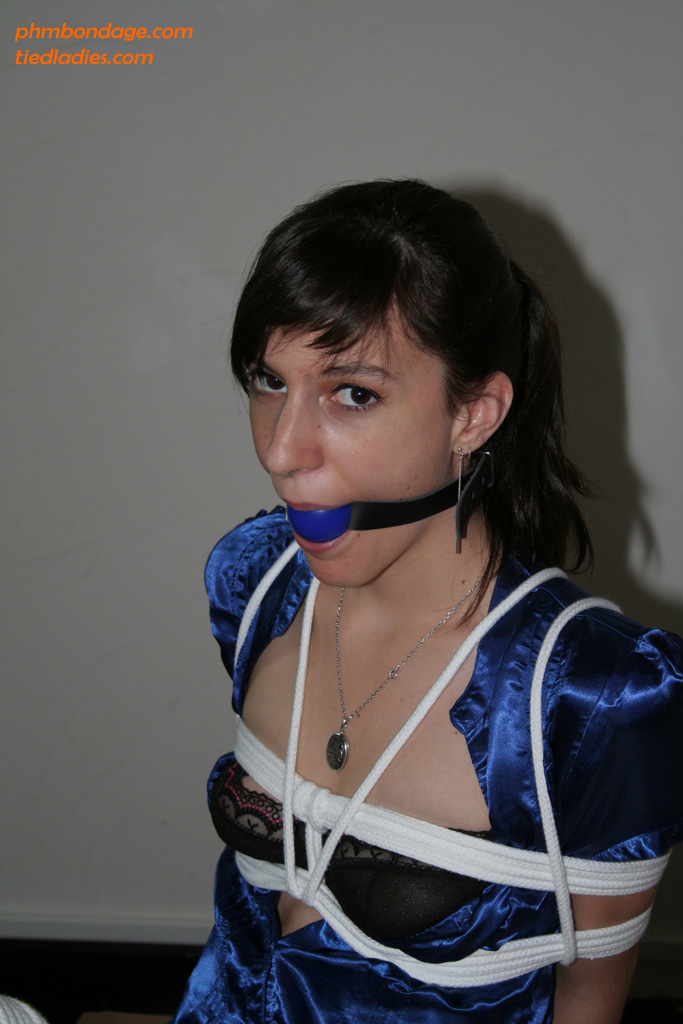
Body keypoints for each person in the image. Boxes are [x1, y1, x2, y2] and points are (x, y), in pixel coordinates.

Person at [173, 180, 682, 1023]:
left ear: (472, 415)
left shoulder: (593, 700)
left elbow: (589, 1000)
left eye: (352, 392)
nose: (281, 451)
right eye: (268, 380)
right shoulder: (257, 583)